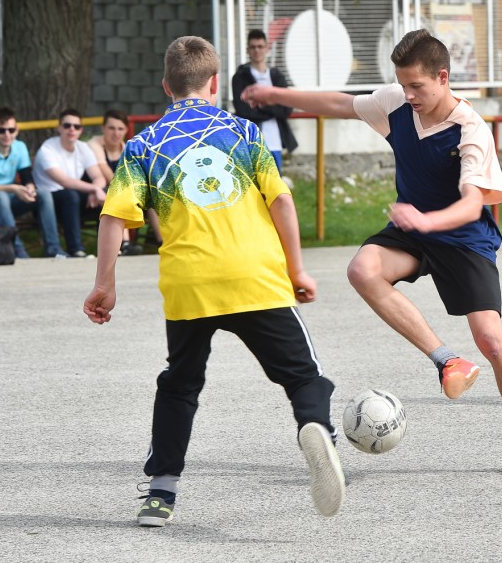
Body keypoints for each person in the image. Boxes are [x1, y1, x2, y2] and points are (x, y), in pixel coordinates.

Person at [243, 29, 502, 478]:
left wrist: (427, 222)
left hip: (463, 237)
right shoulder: (396, 103)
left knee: (490, 339)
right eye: (403, 84)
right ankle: (447, 360)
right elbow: (339, 103)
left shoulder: (470, 129)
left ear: (443, 77)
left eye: (417, 86)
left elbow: (472, 203)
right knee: (362, 270)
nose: (408, 94)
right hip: (413, 229)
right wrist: (275, 94)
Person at [83, 35, 345, 526]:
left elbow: (114, 217)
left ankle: (160, 494)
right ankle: (317, 430)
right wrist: (296, 269)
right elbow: (281, 202)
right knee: (303, 377)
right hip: (254, 276)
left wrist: (105, 284)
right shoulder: (245, 133)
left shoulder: (143, 145)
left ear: (166, 85)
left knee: (179, 385)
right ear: (215, 82)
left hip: (190, 283)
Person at [0, 106, 63, 258]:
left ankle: (53, 248)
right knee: (1, 196)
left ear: (17, 130)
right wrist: (13, 188)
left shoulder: (20, 147)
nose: (7, 135)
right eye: (2, 130)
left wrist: (29, 189)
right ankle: (17, 249)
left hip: (5, 202)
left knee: (43, 194)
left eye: (11, 130)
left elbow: (27, 177)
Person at [32, 109, 106, 258]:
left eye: (76, 126)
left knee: (105, 196)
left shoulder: (83, 148)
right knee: (70, 196)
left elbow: (99, 176)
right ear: (59, 128)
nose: (72, 129)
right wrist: (94, 188)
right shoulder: (47, 149)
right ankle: (76, 249)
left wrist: (95, 190)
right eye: (67, 125)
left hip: (73, 198)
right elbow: (63, 181)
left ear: (81, 130)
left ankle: (109, 249)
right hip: (48, 202)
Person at [87, 109, 163, 254]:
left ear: (126, 130)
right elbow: (108, 175)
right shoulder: (94, 144)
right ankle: (125, 243)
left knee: (152, 195)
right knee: (120, 195)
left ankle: (163, 243)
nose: (116, 133)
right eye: (111, 128)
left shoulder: (126, 147)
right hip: (96, 192)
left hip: (120, 188)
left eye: (120, 129)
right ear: (103, 128)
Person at [231, 29, 298, 173]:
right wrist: (272, 107)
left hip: (275, 142)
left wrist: (260, 105)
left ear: (267, 48)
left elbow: (287, 109)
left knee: (275, 184)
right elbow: (242, 110)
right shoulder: (240, 77)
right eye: (253, 47)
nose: (257, 50)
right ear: (247, 50)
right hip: (250, 143)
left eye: (260, 46)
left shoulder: (277, 77)